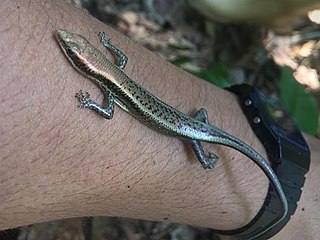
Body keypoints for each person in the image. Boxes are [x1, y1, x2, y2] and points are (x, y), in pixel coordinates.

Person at [0, 1, 319, 239]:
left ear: (86, 67)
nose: (68, 45)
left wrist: (88, 103)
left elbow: (109, 112)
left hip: (187, 129)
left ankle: (210, 162)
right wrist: (108, 46)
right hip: (190, 121)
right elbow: (119, 63)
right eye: (74, 51)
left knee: (197, 140)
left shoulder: (108, 90)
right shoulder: (111, 78)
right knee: (199, 125)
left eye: (75, 52)